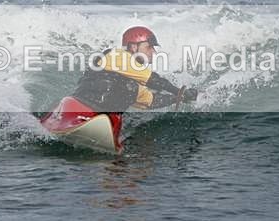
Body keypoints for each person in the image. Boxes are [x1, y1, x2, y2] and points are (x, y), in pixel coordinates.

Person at [40, 26, 198, 151]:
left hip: (107, 121)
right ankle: (65, 124)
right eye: (149, 46)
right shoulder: (115, 55)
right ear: (133, 47)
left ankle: (105, 137)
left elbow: (151, 101)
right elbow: (153, 79)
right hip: (78, 106)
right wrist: (179, 91)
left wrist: (181, 98)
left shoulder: (134, 83)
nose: (153, 52)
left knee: (129, 91)